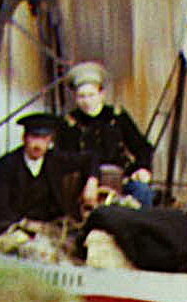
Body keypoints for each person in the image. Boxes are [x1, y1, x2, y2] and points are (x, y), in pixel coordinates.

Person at [0, 112, 100, 235]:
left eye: (44, 138)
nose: (38, 144)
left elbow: (91, 158)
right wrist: (25, 224)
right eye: (34, 137)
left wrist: (92, 181)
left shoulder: (55, 159)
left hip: (50, 227)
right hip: (16, 227)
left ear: (50, 140)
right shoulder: (7, 164)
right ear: (24, 138)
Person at [58, 61, 156, 208]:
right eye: (81, 96)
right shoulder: (69, 123)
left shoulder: (117, 116)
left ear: (101, 94)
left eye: (91, 95)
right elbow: (65, 158)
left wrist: (142, 168)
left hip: (121, 179)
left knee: (142, 193)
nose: (87, 102)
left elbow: (142, 147)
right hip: (85, 185)